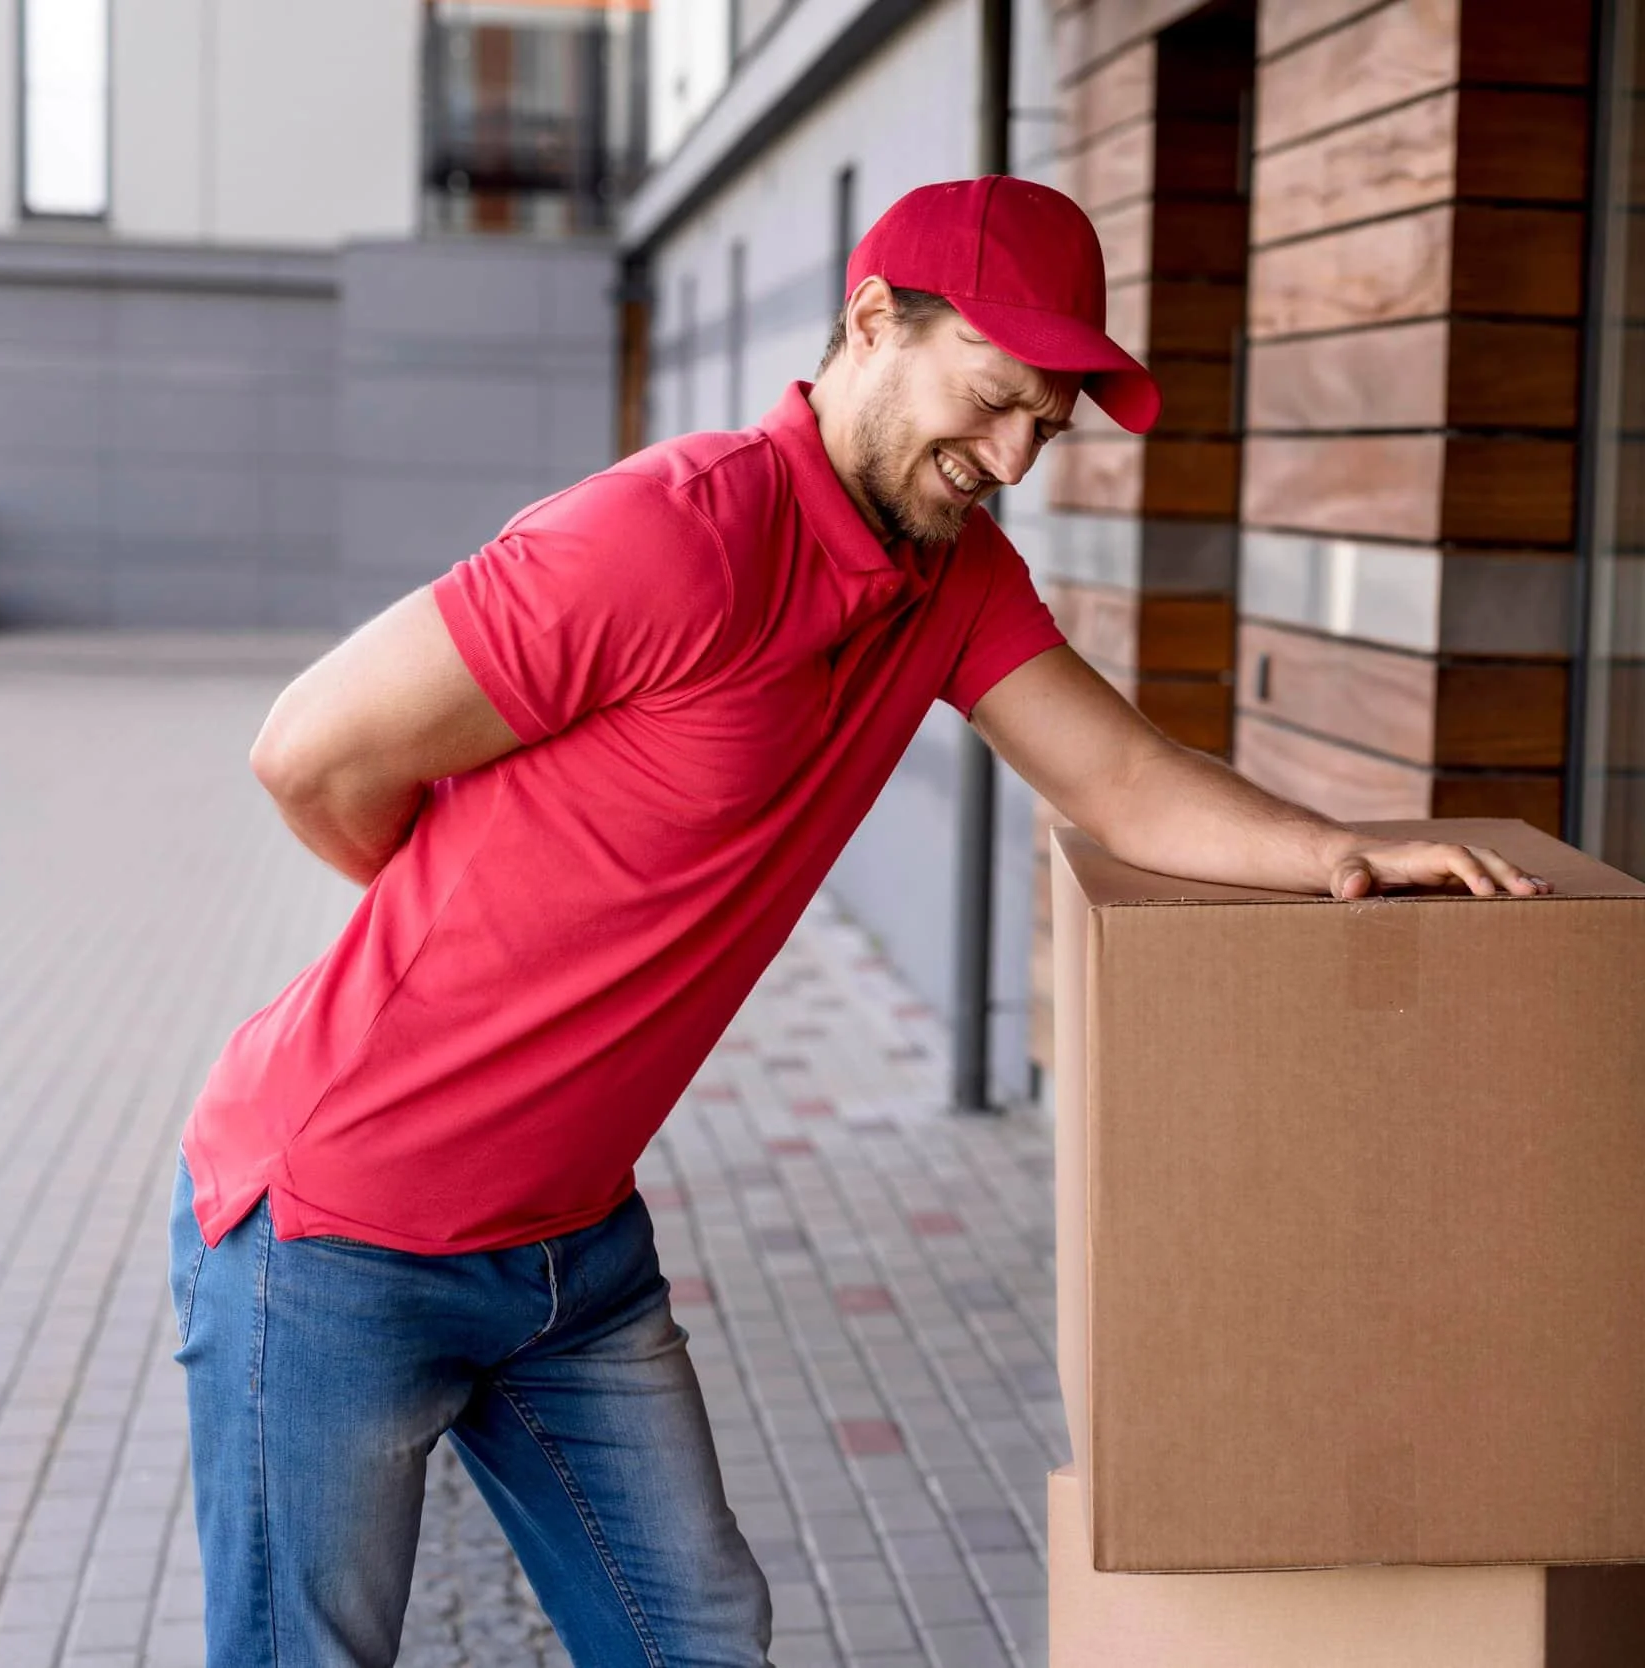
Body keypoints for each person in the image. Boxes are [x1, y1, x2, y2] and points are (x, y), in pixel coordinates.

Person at [166, 175, 1550, 1668]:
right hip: (334, 1235)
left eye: (1050, 424)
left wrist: (1341, 851)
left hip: (571, 1248)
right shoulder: (668, 537)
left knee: (699, 1640)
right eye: (999, 398)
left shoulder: (950, 577)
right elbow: (308, 752)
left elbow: (1126, 781)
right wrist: (462, 933)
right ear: (875, 319)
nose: (1014, 455)